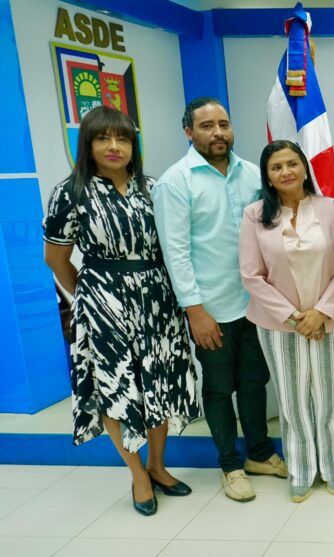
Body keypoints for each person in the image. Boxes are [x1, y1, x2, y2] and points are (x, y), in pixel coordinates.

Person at [42, 106, 201, 516]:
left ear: (134, 145)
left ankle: (159, 466)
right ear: (88, 145)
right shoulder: (71, 191)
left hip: (158, 300)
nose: (114, 147)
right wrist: (90, 299)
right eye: (103, 138)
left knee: (159, 385)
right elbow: (56, 260)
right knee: (117, 388)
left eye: (123, 138)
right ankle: (137, 474)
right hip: (103, 305)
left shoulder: (152, 187)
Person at [153, 97, 287, 503]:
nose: (218, 133)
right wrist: (195, 311)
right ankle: (230, 465)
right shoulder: (175, 182)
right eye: (207, 126)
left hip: (256, 303)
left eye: (224, 124)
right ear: (188, 132)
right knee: (218, 389)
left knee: (254, 382)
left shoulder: (252, 174)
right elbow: (174, 251)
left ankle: (260, 455)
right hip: (210, 308)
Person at [240, 140, 334, 503]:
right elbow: (251, 275)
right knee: (292, 401)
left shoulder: (333, 209)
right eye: (277, 167)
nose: (286, 171)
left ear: (305, 167)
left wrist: (321, 311)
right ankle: (302, 470)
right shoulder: (254, 215)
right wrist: (293, 317)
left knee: (329, 397)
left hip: (330, 319)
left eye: (292, 163)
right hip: (279, 325)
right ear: (268, 176)